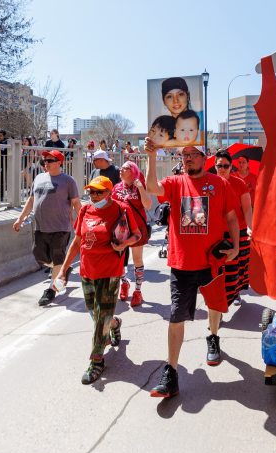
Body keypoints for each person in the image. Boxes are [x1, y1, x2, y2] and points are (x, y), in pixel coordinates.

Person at [144, 140, 239, 398]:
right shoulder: (176, 183)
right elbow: (152, 187)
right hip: (182, 263)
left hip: (211, 260)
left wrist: (236, 246)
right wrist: (152, 157)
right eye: (183, 155)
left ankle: (214, 337)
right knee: (176, 316)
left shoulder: (220, 184)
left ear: (203, 157)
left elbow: (231, 216)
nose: (186, 159)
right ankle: (171, 373)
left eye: (192, 155)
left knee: (215, 306)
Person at [56, 176, 141, 384]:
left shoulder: (121, 209)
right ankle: (115, 323)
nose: (94, 196)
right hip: (87, 271)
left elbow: (137, 235)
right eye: (91, 192)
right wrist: (63, 271)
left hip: (110, 271)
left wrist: (123, 245)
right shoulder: (85, 210)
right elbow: (77, 241)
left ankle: (97, 360)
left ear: (109, 192)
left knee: (100, 317)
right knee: (96, 314)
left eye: (99, 192)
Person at [12, 150, 82, 306]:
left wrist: (83, 222)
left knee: (57, 257)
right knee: (39, 256)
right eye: (44, 160)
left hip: (60, 227)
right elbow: (31, 200)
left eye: (50, 160)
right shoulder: (38, 178)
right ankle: (63, 268)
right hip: (41, 227)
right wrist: (20, 218)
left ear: (59, 162)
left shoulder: (68, 181)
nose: (46, 163)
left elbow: (76, 203)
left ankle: (51, 290)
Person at [214, 150, 253, 306]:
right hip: (217, 234)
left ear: (231, 167)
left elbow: (247, 209)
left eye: (226, 165)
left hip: (240, 232)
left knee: (237, 268)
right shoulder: (209, 184)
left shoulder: (239, 184)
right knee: (219, 269)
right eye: (219, 165)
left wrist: (250, 227)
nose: (222, 168)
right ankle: (219, 305)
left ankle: (233, 294)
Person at [112, 161, 152, 307]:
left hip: (137, 229)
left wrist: (141, 187)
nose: (121, 170)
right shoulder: (116, 187)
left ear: (133, 171)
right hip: (120, 229)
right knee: (120, 259)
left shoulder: (139, 186)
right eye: (121, 167)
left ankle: (138, 291)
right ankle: (124, 283)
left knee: (137, 260)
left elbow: (148, 205)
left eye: (125, 168)